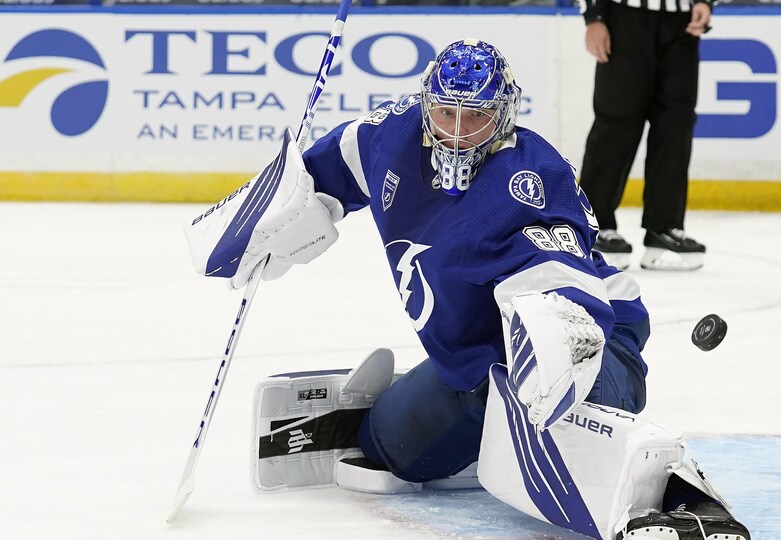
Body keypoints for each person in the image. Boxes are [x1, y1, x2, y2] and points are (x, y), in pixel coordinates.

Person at [187, 39, 748, 540]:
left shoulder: (528, 179)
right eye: (445, 113)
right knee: (392, 449)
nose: (456, 130)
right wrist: (266, 217)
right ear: (425, 106)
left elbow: (567, 301)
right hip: (476, 360)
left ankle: (681, 499)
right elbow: (318, 177)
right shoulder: (393, 136)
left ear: (502, 116)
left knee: (554, 405)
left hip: (593, 339)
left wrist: (551, 359)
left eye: (474, 117)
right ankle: (485, 430)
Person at [579, 0, 714, 271]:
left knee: (676, 124)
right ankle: (594, 227)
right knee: (617, 122)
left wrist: (705, 2)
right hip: (624, 16)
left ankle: (663, 228)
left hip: (682, 23)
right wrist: (594, 15)